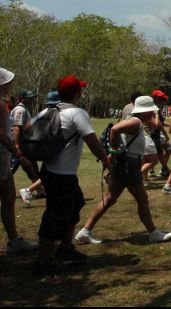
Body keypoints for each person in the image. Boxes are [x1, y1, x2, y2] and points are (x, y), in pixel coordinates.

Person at [36, 75, 112, 274]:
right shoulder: (77, 113)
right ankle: (44, 261)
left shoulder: (48, 110)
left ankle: (65, 248)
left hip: (51, 170)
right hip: (62, 174)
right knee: (54, 215)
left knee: (75, 203)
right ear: (78, 93)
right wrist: (105, 160)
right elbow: (92, 140)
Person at [75, 96, 171, 245]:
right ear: (145, 111)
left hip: (125, 164)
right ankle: (153, 233)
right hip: (128, 165)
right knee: (142, 199)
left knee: (110, 199)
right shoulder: (135, 121)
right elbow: (114, 130)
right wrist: (114, 151)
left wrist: (115, 153)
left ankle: (85, 231)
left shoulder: (134, 120)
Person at [0, 68, 38, 255]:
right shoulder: (0, 106)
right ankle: (14, 240)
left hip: (4, 157)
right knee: (7, 197)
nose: (11, 85)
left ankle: (14, 239)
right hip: (1, 157)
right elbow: (3, 134)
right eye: (8, 82)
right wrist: (20, 155)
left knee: (8, 196)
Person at [11, 90, 45, 206]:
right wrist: (16, 145)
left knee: (31, 166)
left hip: (24, 144)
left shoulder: (24, 109)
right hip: (19, 144)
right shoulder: (20, 110)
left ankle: (40, 190)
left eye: (32, 98)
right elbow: (16, 127)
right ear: (22, 98)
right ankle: (38, 190)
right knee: (12, 168)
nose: (31, 100)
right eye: (29, 98)